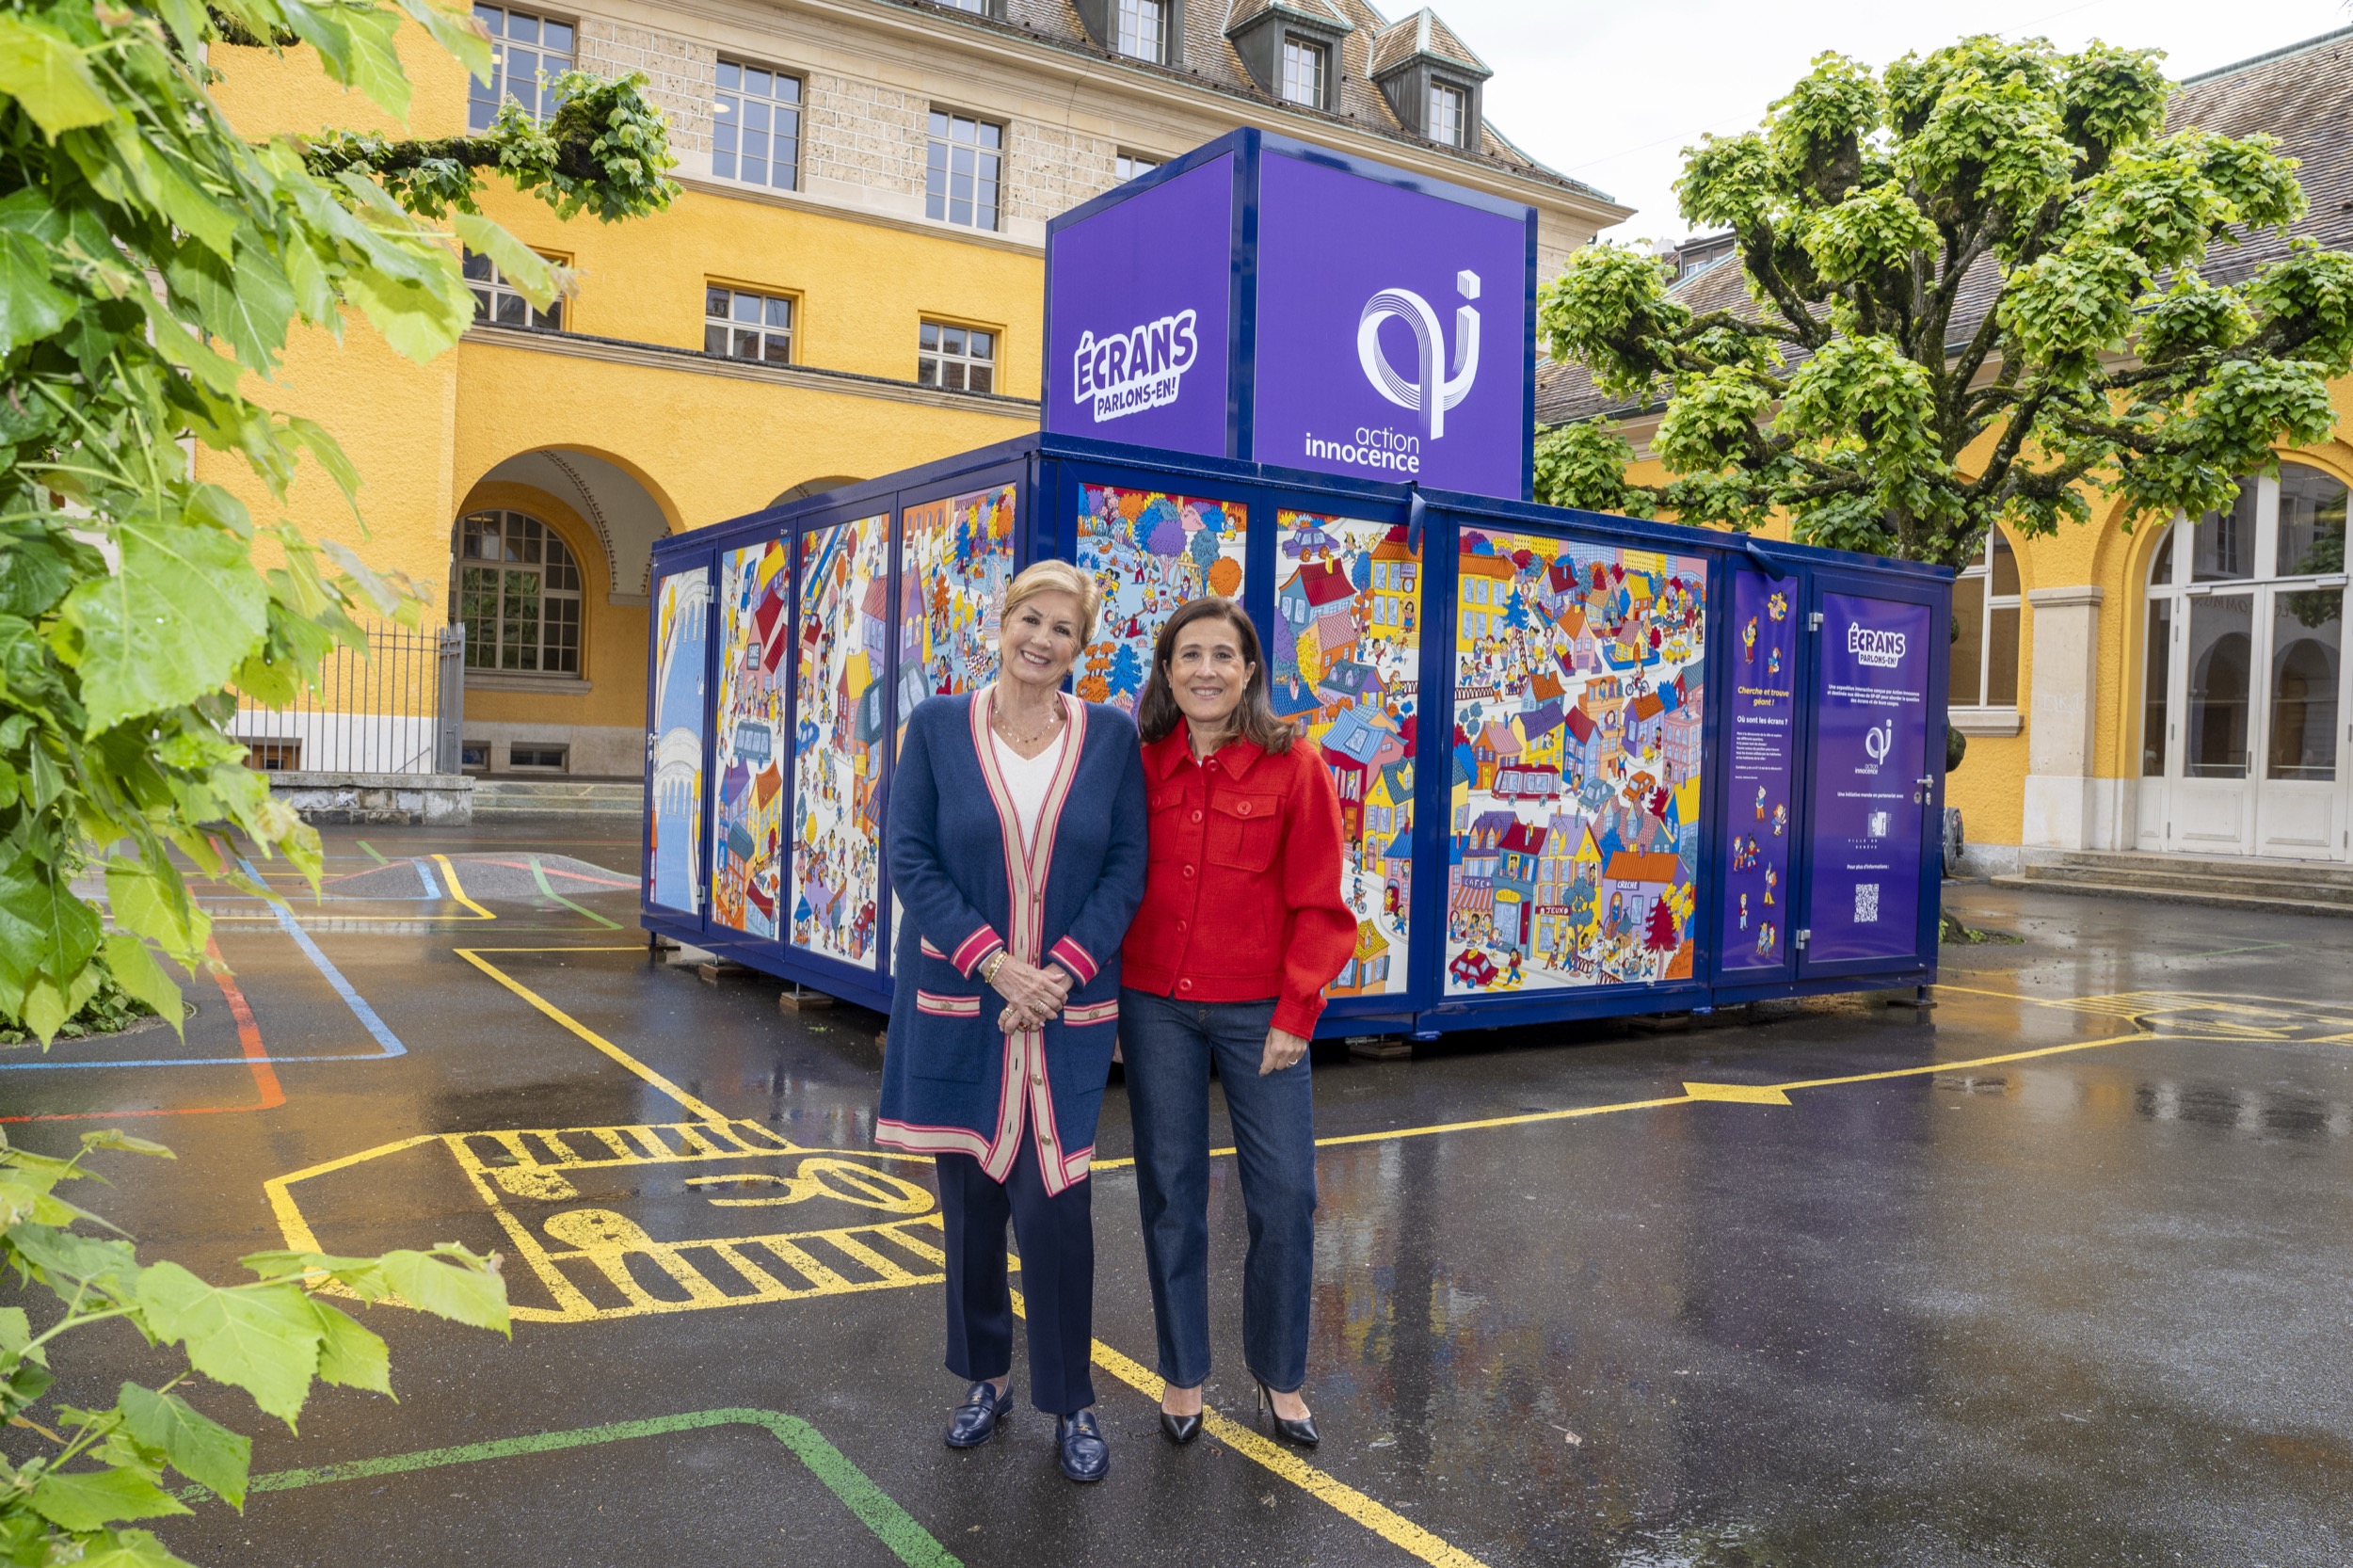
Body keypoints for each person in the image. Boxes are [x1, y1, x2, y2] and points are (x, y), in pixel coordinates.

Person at [880, 560, 1147, 1484]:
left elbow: (1125, 866)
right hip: (966, 1007)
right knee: (969, 1209)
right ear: (1000, 624)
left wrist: (1060, 971)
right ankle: (984, 1379)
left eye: (1063, 629)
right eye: (1030, 619)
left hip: (1064, 1012)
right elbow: (910, 857)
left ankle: (1071, 1400)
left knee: (1057, 1209)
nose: (1043, 639)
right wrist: (995, 963)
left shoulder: (1109, 738)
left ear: (1082, 648)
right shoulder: (935, 728)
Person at [1118, 597, 1355, 1449]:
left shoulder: (1295, 765)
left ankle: (1280, 1375)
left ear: (1251, 669)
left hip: (1262, 1014)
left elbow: (1322, 903)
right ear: (1167, 670)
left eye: (1224, 655)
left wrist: (1298, 1008)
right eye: (1190, 655)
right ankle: (1183, 1373)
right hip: (1156, 1007)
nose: (1206, 671)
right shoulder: (1140, 764)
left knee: (1286, 1197)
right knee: (1171, 1192)